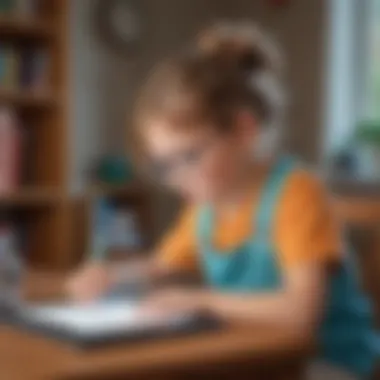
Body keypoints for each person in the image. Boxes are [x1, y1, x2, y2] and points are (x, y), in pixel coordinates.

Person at [67, 22, 378, 379]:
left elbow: (299, 312)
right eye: (164, 165)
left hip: (327, 362)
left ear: (244, 131)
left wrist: (201, 300)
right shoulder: (205, 208)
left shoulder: (295, 193)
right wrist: (110, 274)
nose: (177, 177)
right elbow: (162, 264)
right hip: (256, 355)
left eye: (189, 157)